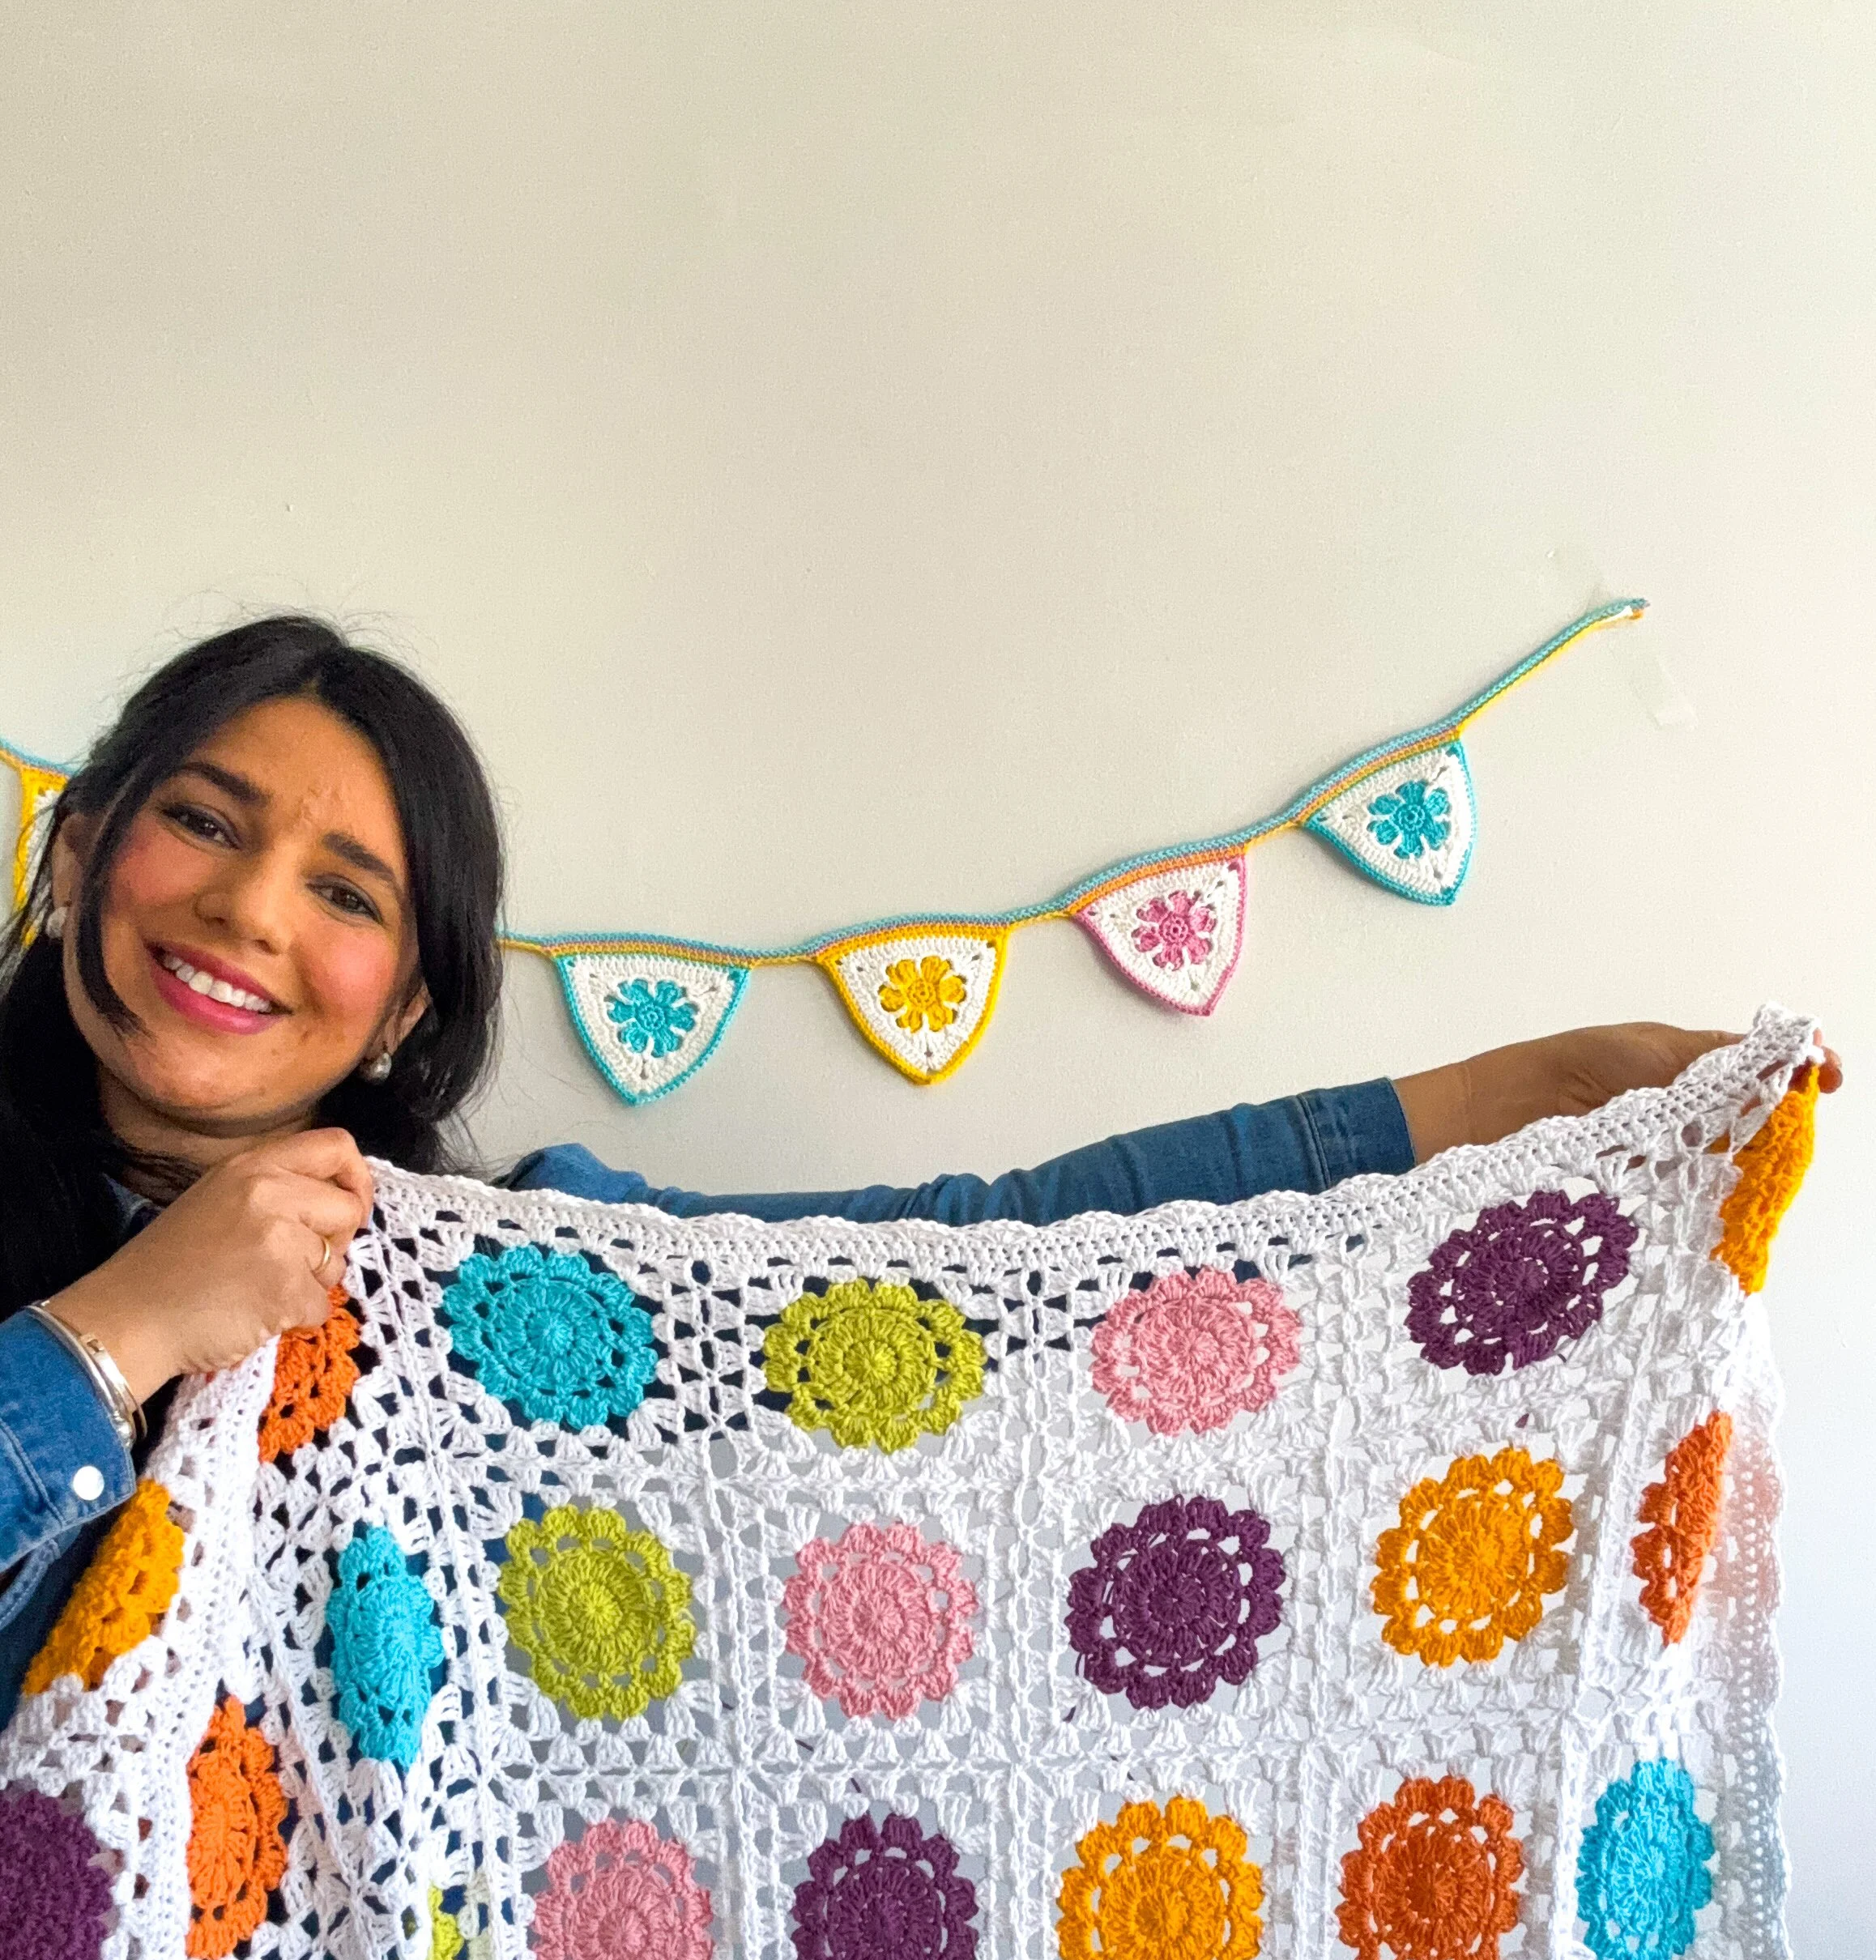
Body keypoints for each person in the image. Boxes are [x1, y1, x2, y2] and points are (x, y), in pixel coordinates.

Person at [0, 617, 1840, 1724]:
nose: (247, 906)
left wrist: (1513, 1093)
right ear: (84, 849)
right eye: (203, 820)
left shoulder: (510, 1301)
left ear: (406, 1005)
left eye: (346, 890)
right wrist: (109, 1341)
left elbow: (981, 1265)